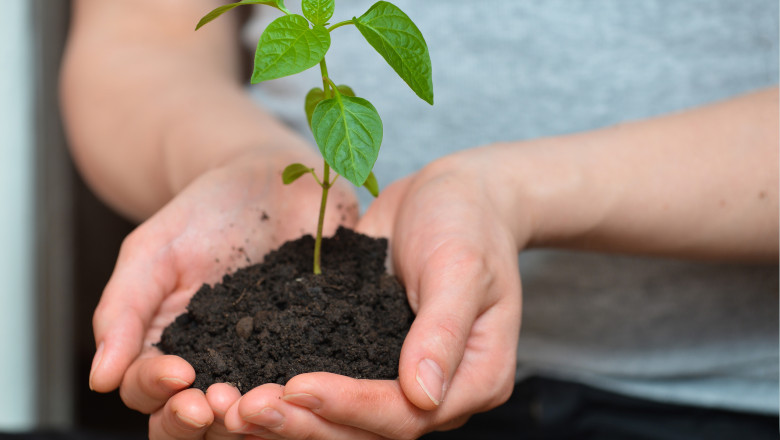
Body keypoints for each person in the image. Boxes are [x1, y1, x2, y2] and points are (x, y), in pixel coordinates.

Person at [61, 0, 779, 438]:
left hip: (712, 396)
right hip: (344, 373)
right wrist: (244, 155)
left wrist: (513, 194)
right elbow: (140, 35)